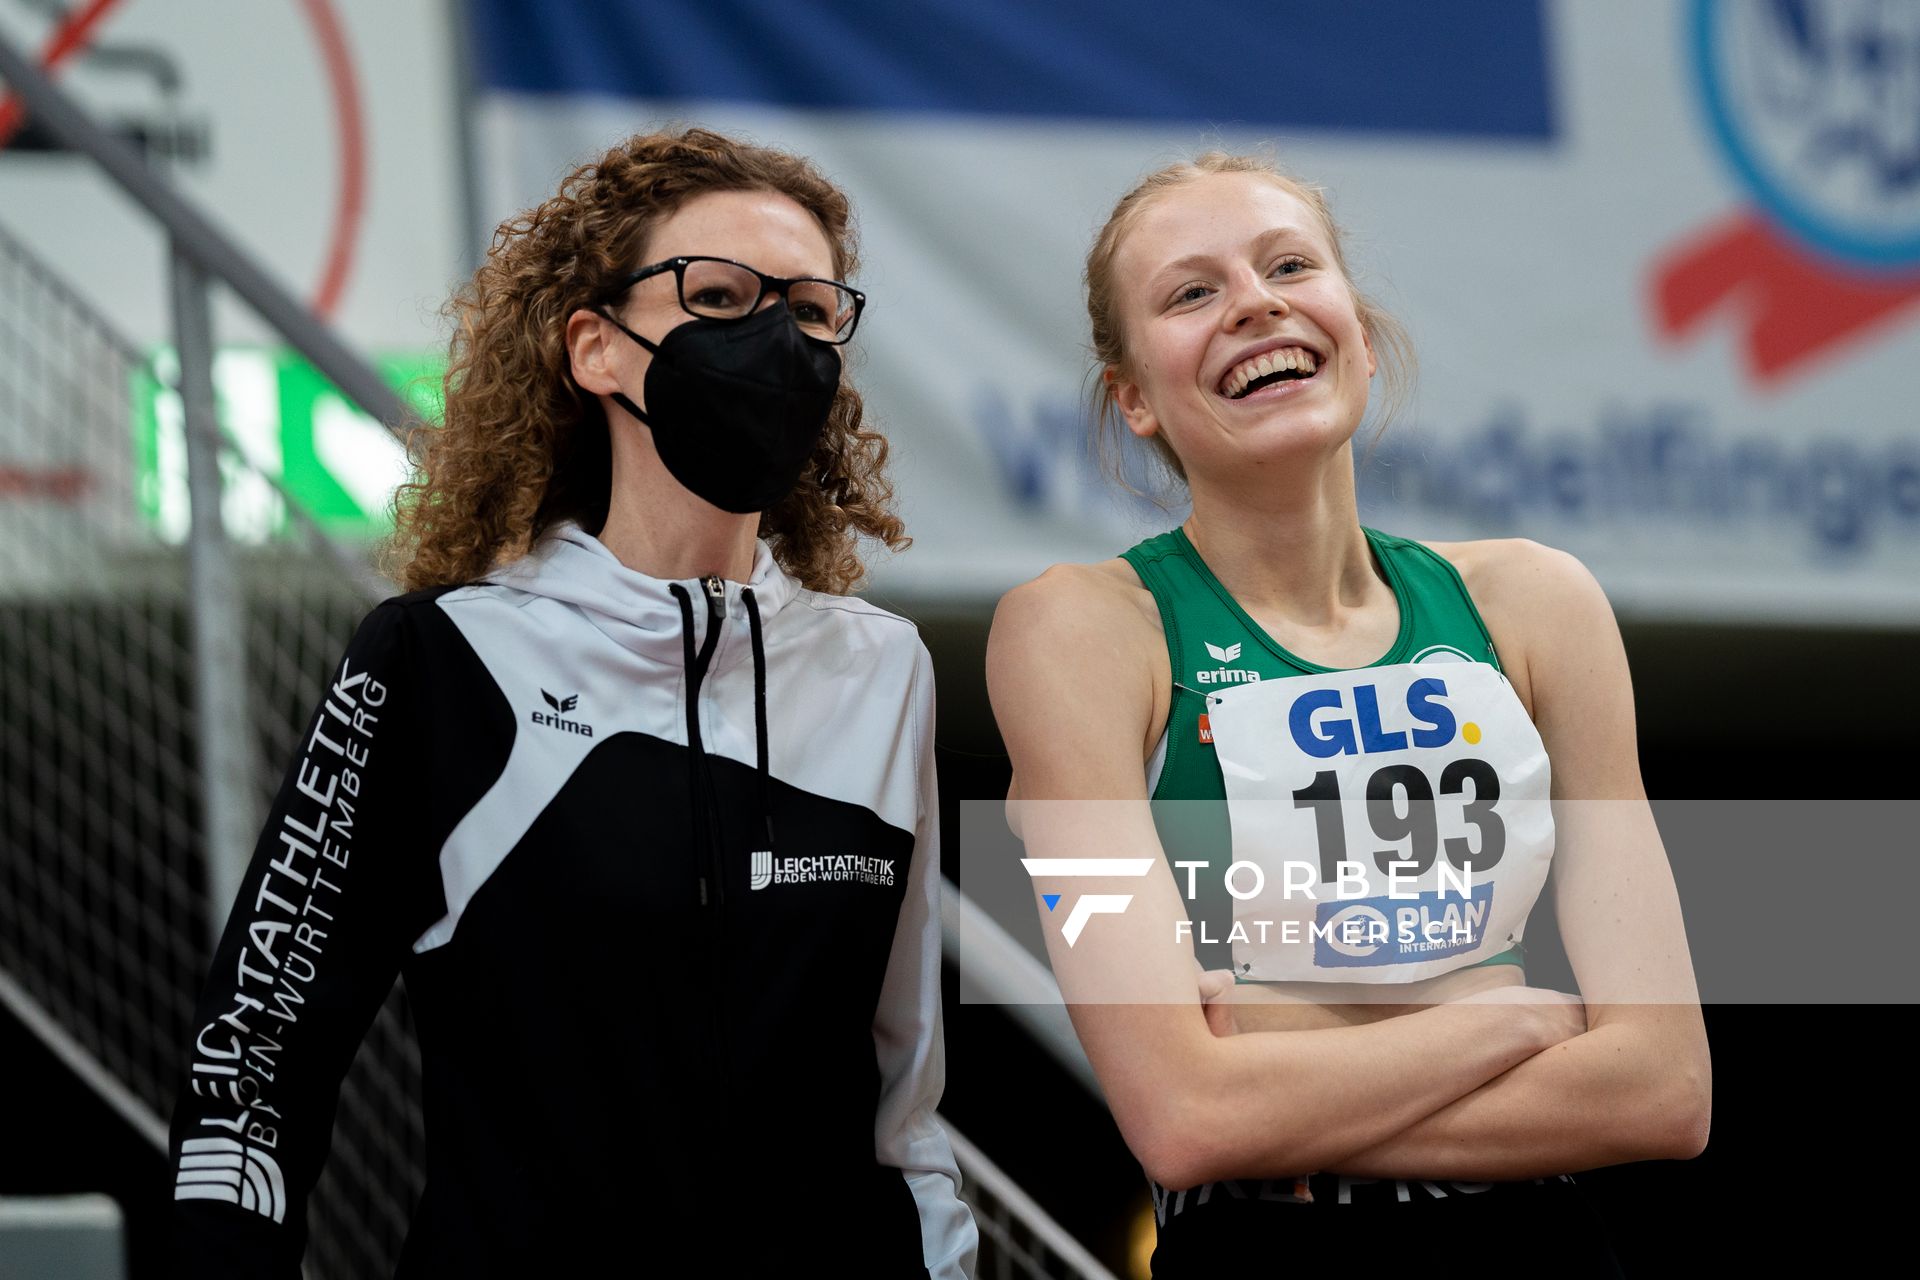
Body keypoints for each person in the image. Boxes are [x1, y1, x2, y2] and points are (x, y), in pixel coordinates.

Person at [166, 127, 978, 1279]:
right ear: (596, 347)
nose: (774, 341)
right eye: (720, 296)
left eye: (807, 310)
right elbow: (258, 1053)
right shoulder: (438, 659)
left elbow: (905, 1097)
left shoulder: (884, 667)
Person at [986, 152, 1710, 1277]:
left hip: (1544, 1249)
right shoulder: (1075, 632)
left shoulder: (1536, 602)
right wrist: (1500, 1015)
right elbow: (1182, 1117)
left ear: (1358, 331)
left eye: (1288, 265)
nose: (1255, 303)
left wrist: (1276, 1050)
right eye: (1192, 292)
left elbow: (1666, 1087)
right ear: (1132, 393)